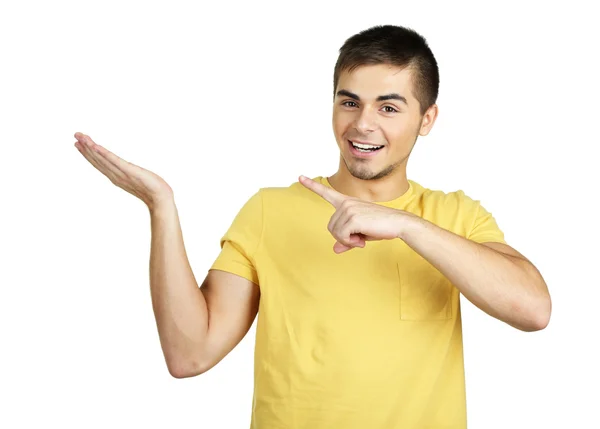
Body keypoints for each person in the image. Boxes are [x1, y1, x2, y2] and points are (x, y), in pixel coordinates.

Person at [74, 24, 551, 429]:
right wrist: (162, 206)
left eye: (388, 107)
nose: (362, 125)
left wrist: (407, 226)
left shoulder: (455, 216)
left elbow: (533, 309)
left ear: (426, 119)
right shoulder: (269, 210)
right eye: (349, 102)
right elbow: (189, 354)